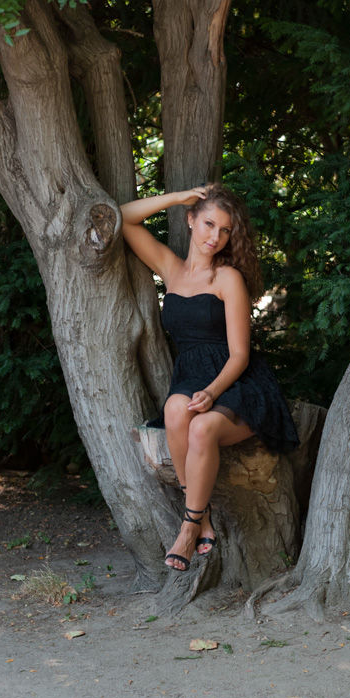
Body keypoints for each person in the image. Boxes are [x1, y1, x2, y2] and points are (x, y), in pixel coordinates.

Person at [121, 184, 299, 571]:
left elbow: (240, 355)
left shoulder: (227, 278)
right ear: (190, 220)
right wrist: (177, 197)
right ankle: (201, 515)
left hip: (236, 381)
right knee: (174, 411)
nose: (214, 237)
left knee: (201, 428)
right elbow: (123, 218)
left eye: (225, 230)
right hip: (190, 376)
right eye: (208, 224)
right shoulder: (171, 268)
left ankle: (189, 528)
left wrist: (213, 391)